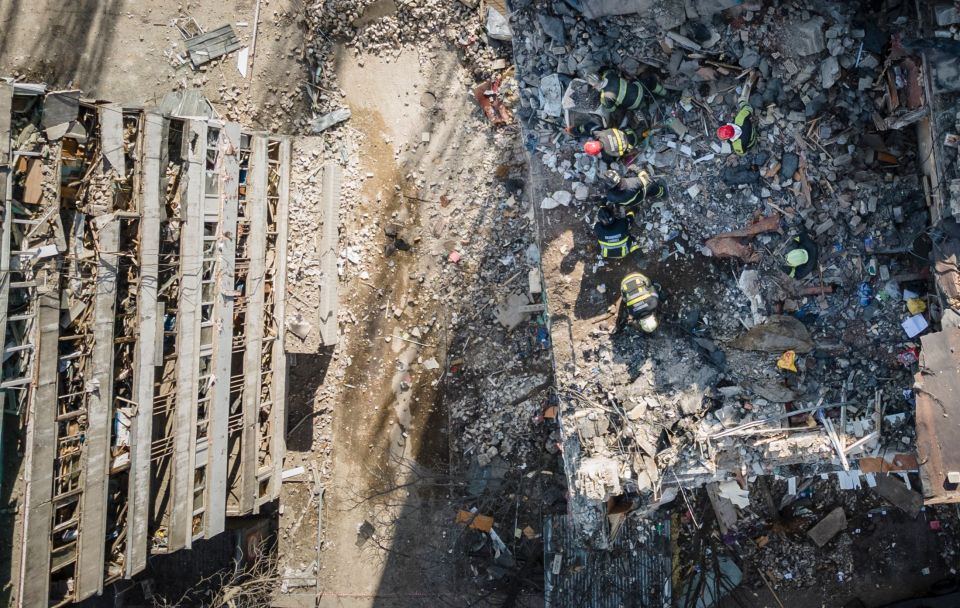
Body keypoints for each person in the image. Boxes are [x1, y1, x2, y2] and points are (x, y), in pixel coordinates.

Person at [716, 72, 759, 155]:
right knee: (742, 103)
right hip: (749, 130)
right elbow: (749, 109)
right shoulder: (740, 119)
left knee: (749, 144)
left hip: (751, 142)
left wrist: (728, 141)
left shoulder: (737, 146)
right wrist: (742, 102)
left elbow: (743, 153)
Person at [589, 69, 667, 113]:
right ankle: (666, 94)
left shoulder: (604, 96)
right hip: (639, 90)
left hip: (634, 104)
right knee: (649, 83)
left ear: (594, 86)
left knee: (621, 107)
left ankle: (645, 107)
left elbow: (611, 109)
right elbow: (614, 72)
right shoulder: (608, 74)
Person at [571, 123, 640, 159]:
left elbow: (620, 154)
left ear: (598, 152)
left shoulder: (607, 152)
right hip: (628, 132)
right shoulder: (600, 133)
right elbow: (590, 126)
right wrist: (574, 130)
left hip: (633, 143)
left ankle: (636, 150)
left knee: (624, 153)